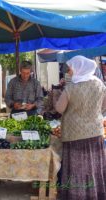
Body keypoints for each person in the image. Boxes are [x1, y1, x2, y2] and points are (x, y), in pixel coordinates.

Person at [55, 55, 106, 200]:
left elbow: (59, 108)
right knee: (93, 165)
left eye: (71, 68)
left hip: (74, 134)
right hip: (95, 132)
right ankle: (95, 194)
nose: (69, 71)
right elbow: (104, 106)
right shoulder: (99, 84)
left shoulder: (71, 88)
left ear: (79, 68)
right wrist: (94, 114)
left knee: (77, 168)